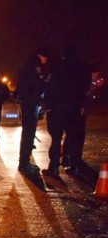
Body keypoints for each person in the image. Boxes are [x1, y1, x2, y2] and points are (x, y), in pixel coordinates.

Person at [42, 46, 90, 177]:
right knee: (73, 137)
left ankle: (54, 167)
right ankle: (73, 165)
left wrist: (48, 106)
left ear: (64, 56)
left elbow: (50, 88)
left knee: (56, 139)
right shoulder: (82, 69)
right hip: (74, 109)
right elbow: (86, 87)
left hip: (58, 109)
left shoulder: (59, 68)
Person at [60, 63, 104, 171]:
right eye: (95, 74)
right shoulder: (83, 81)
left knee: (79, 135)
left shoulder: (91, 82)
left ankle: (75, 158)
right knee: (74, 135)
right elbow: (83, 95)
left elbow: (92, 97)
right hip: (77, 112)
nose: (96, 76)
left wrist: (97, 88)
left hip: (83, 113)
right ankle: (70, 158)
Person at [16, 48, 49, 175]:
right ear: (40, 56)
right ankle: (24, 164)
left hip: (29, 104)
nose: (46, 60)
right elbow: (33, 87)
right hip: (30, 104)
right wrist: (44, 83)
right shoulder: (32, 69)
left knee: (28, 135)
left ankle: (25, 162)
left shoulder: (28, 68)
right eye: (45, 57)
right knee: (28, 135)